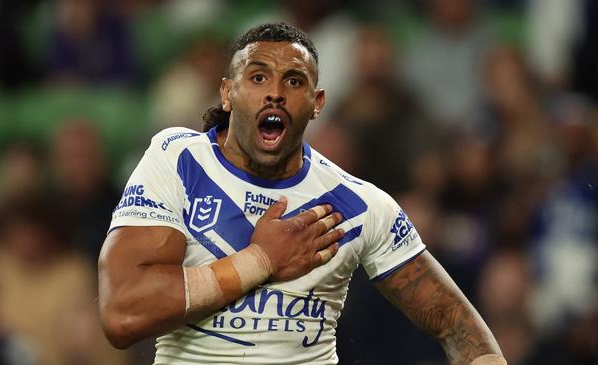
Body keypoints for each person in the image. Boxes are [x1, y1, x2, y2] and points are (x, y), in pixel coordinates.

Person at [98, 22, 506, 364]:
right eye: (258, 78)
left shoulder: (359, 204)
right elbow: (122, 314)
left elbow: (455, 321)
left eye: (293, 81)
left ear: (317, 102)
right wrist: (260, 260)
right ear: (227, 93)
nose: (275, 92)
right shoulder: (179, 160)